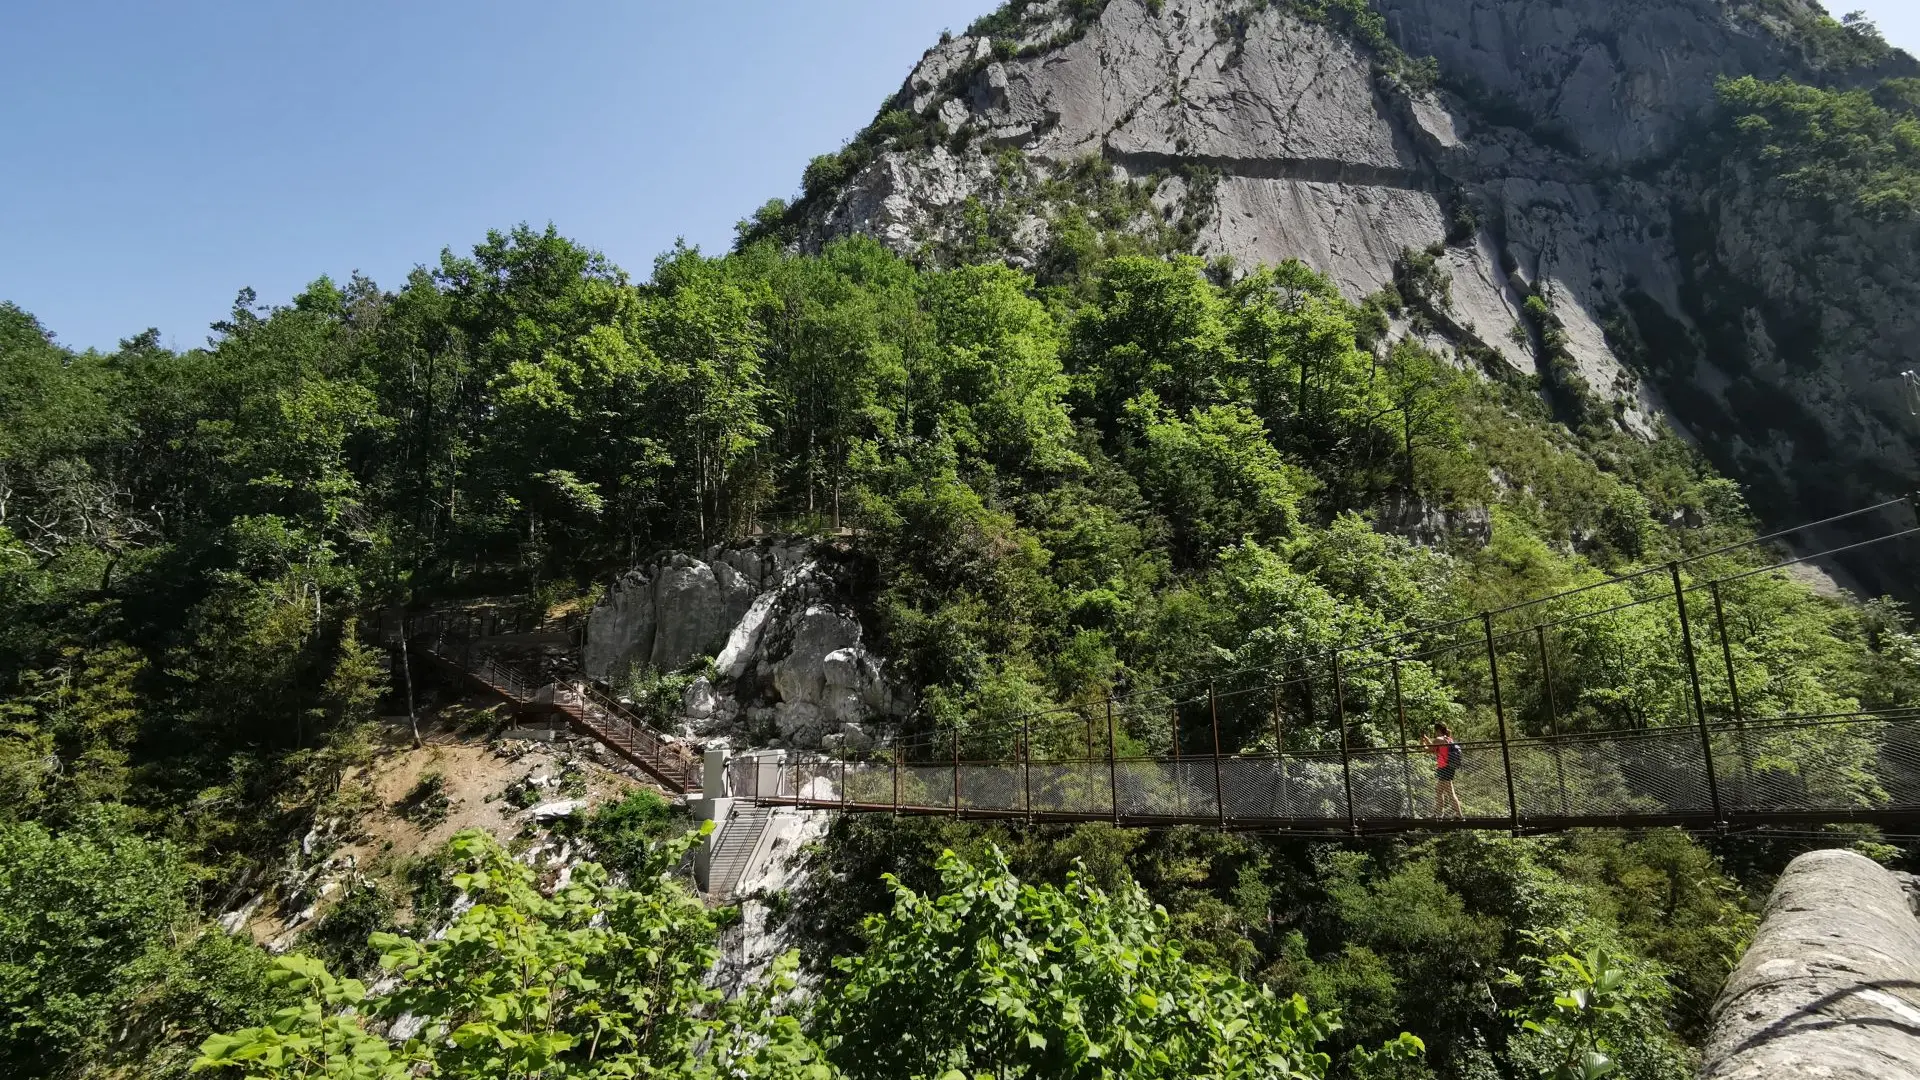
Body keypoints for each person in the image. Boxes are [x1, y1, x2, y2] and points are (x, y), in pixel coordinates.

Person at [1418, 723, 1466, 820]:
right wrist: (1426, 739)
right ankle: (1440, 814)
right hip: (1449, 768)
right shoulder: (1448, 739)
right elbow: (1435, 749)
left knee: (1449, 793)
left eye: (1435, 730)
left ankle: (1458, 815)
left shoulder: (1438, 740)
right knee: (1440, 791)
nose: (1435, 732)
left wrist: (1422, 742)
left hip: (1444, 768)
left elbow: (1428, 750)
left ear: (1438, 730)